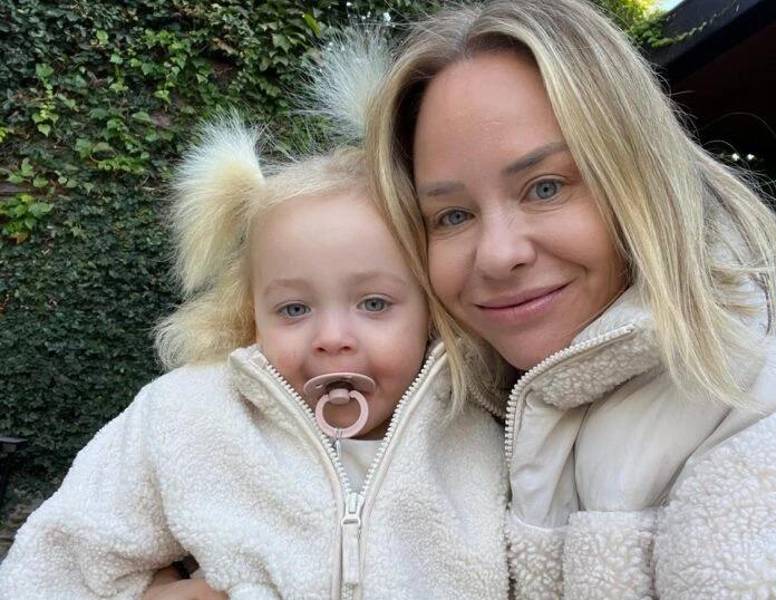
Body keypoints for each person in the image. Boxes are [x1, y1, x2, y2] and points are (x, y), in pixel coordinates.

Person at [358, 0, 776, 597]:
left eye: (545, 187)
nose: (498, 255)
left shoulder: (771, 404)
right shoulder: (431, 407)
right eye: (451, 215)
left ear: (638, 178)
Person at [0, 119, 509, 599]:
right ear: (250, 314)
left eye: (374, 304)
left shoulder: (486, 426)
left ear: (430, 310)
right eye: (294, 309)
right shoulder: (186, 418)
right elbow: (49, 566)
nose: (332, 339)